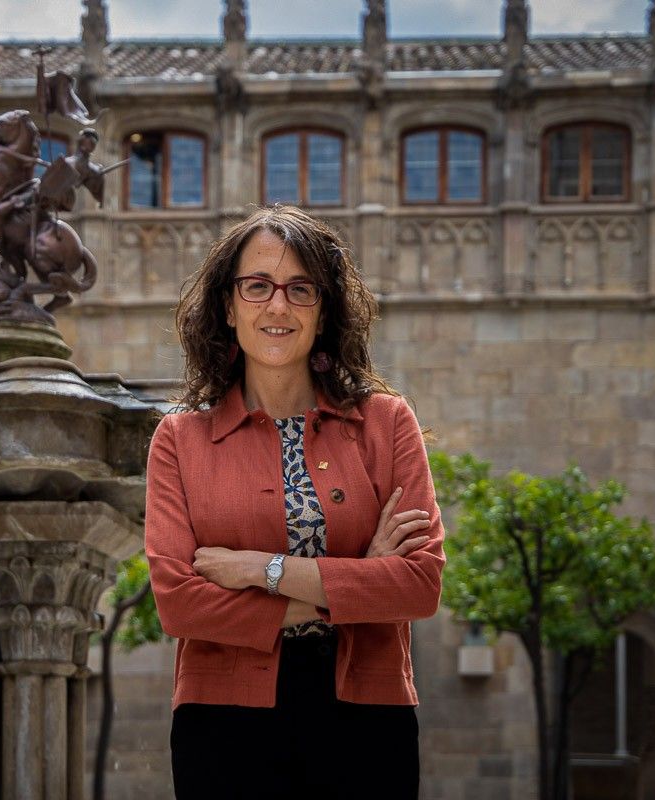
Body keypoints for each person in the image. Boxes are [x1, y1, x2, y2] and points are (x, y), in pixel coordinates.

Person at [145, 205, 445, 799]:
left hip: (367, 713)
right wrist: (357, 585)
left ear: (325, 309)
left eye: (300, 289)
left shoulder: (388, 424)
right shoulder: (179, 439)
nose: (277, 306)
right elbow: (180, 605)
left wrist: (263, 570)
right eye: (257, 286)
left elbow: (418, 585)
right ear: (228, 307)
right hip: (223, 724)